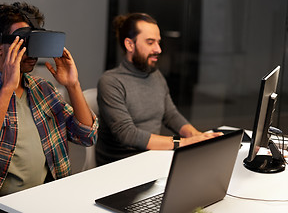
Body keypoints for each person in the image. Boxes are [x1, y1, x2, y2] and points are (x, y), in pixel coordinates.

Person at [0, 2, 98, 212]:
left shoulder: (43, 89)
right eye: (22, 41)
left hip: (45, 199)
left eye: (34, 40)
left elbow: (87, 136)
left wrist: (73, 85)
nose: (30, 51)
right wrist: (7, 88)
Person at [95, 12, 222, 165]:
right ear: (130, 44)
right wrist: (181, 142)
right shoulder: (110, 81)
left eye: (158, 42)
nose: (158, 49)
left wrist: (196, 136)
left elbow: (171, 115)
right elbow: (127, 134)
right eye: (150, 42)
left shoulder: (155, 75)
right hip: (122, 165)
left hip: (152, 158)